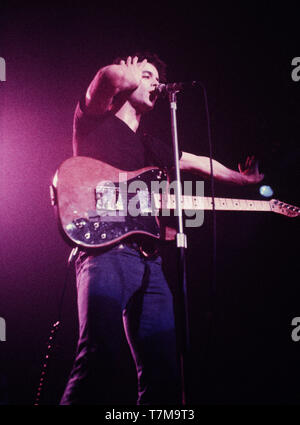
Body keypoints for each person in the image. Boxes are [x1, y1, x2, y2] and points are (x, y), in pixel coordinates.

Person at [59, 53, 264, 405]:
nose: (155, 83)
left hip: (150, 263)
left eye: (157, 77)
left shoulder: (155, 144)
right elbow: (103, 80)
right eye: (148, 75)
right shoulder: (95, 121)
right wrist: (126, 73)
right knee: (99, 357)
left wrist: (242, 179)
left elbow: (199, 162)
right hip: (105, 253)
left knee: (164, 372)